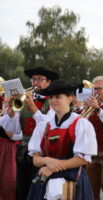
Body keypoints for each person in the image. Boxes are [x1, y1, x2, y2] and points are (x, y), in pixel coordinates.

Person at [26, 79, 97, 199]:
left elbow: (83, 159)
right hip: (44, 178)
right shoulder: (43, 125)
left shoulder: (80, 124)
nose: (53, 100)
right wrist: (47, 161)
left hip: (72, 178)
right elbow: (35, 158)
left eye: (58, 97)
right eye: (51, 97)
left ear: (70, 98)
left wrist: (52, 168)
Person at [16, 66, 59, 200]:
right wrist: (11, 113)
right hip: (22, 149)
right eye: (34, 79)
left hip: (42, 150)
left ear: (49, 82)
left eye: (40, 79)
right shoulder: (23, 99)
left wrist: (33, 107)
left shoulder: (53, 100)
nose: (35, 83)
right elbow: (16, 127)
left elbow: (49, 123)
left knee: (38, 187)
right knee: (21, 186)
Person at [0, 96, 22, 200]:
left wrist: (10, 135)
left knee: (8, 179)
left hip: (8, 148)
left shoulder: (16, 115)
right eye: (5, 102)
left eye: (9, 102)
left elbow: (19, 135)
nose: (6, 105)